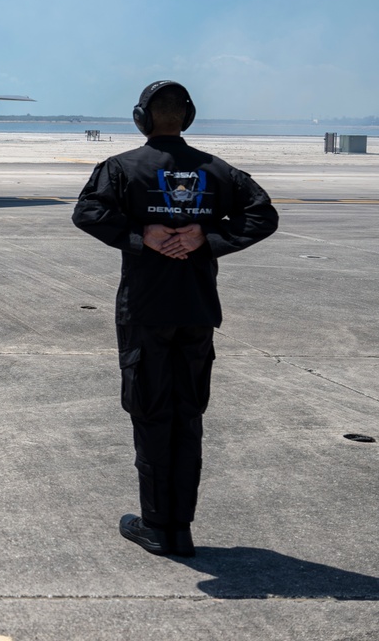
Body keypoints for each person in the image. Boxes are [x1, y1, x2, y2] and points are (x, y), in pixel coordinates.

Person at [71, 81, 278, 557]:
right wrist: (206, 236)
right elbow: (262, 214)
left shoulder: (122, 168)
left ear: (141, 118)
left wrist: (143, 234)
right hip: (196, 311)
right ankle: (180, 528)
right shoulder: (218, 171)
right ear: (188, 117)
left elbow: (88, 212)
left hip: (146, 311)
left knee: (150, 413)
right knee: (188, 417)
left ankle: (157, 526)